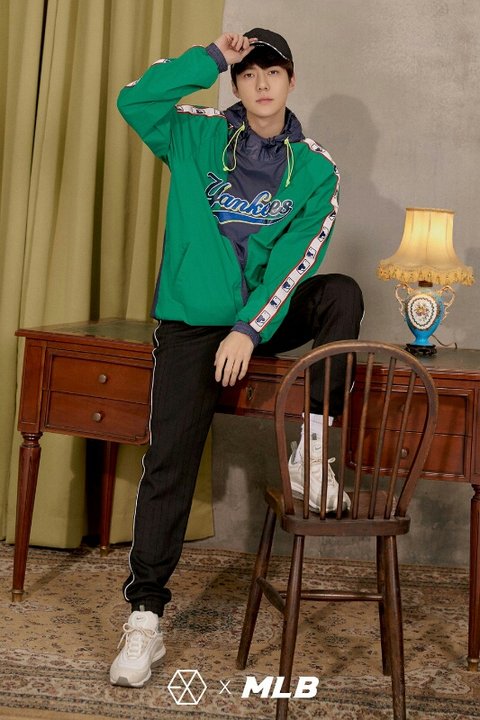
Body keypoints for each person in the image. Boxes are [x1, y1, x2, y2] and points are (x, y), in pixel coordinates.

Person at [110, 28, 363, 687]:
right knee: (169, 463)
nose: (260, 82)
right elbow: (134, 100)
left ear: (291, 80)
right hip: (194, 321)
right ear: (236, 82)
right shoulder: (194, 134)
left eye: (272, 71)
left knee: (340, 293)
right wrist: (209, 58)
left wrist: (250, 329)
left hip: (262, 318)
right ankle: (144, 619)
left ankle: (312, 455)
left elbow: (296, 262)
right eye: (247, 72)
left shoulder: (316, 169)